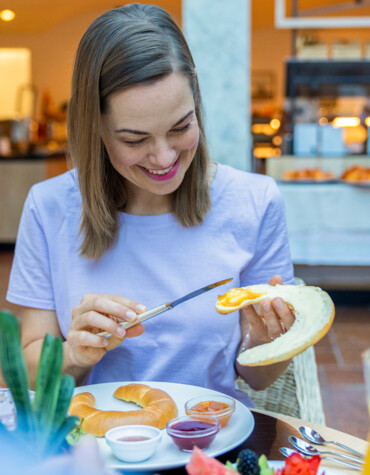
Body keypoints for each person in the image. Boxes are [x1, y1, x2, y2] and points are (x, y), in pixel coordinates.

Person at [6, 3, 295, 405]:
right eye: (134, 139)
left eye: (181, 127)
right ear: (97, 129)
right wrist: (72, 354)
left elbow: (259, 379)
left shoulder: (255, 201)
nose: (163, 159)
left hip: (209, 445)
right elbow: (25, 373)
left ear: (196, 102)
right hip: (88, 456)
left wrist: (264, 340)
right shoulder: (48, 206)